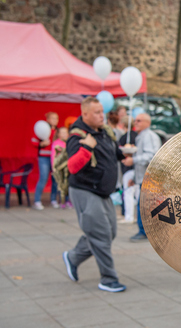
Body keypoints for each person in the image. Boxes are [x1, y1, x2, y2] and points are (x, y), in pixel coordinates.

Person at [62, 96, 133, 293]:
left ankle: (73, 257)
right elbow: (73, 166)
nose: (102, 115)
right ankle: (108, 279)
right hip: (85, 190)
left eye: (102, 111)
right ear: (85, 114)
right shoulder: (78, 136)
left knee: (109, 232)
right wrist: (86, 147)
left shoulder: (102, 131)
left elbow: (110, 152)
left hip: (102, 191)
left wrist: (122, 155)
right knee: (101, 234)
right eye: (96, 113)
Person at [129, 113, 161, 242]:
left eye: (139, 120)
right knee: (148, 205)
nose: (135, 123)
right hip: (146, 177)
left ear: (147, 122)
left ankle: (144, 231)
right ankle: (150, 231)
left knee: (143, 205)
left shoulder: (147, 136)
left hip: (149, 178)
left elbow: (150, 156)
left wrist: (133, 160)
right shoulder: (143, 136)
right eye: (135, 120)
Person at [32, 112, 59, 210]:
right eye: (53, 118)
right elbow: (33, 141)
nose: (55, 120)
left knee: (55, 179)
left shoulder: (58, 131)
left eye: (56, 118)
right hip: (44, 157)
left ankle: (53, 199)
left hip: (55, 158)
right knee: (43, 178)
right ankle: (37, 201)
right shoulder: (43, 129)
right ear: (47, 119)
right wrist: (41, 144)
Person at [118, 115, 138, 224]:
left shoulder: (124, 138)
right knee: (136, 193)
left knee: (128, 193)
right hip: (137, 169)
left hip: (128, 168)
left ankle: (129, 216)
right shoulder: (138, 136)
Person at [51, 127, 72, 209]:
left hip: (68, 167)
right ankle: (57, 200)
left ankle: (68, 201)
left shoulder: (69, 143)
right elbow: (54, 156)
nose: (64, 134)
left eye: (65, 132)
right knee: (58, 185)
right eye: (62, 132)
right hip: (59, 168)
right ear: (58, 134)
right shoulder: (56, 143)